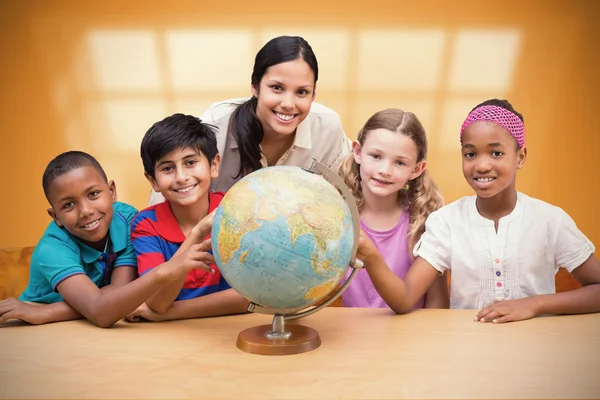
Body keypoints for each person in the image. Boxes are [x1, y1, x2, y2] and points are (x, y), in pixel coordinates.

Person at [356, 99, 600, 323]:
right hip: (464, 351)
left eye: (496, 153)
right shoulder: (446, 222)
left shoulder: (550, 220)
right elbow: (405, 297)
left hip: (536, 350)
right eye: (470, 154)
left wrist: (534, 304)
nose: (482, 165)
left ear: (520, 157)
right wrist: (371, 254)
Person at [0, 151, 213, 327]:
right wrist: (162, 272)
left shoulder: (128, 219)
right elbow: (102, 313)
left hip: (78, 318)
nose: (85, 211)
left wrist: (51, 312)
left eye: (93, 194)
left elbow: (119, 293)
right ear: (55, 216)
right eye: (68, 205)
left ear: (111, 191)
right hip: (39, 326)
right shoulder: (52, 247)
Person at [148, 35, 350, 204]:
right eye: (277, 88)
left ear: (314, 95)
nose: (288, 103)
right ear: (254, 86)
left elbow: (347, 196)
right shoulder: (215, 126)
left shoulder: (328, 128)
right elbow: (169, 189)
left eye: (302, 92)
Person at [127, 114, 248, 322]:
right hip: (168, 340)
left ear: (214, 165)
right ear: (153, 180)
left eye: (190, 162)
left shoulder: (236, 209)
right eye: (167, 168)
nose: (181, 177)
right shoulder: (146, 224)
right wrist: (197, 233)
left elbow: (252, 296)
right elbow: (157, 301)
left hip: (231, 329)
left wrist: (170, 314)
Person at [338, 109, 448, 309]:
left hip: (408, 338)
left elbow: (437, 301)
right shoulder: (336, 217)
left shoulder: (424, 221)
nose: (385, 170)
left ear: (416, 169)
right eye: (376, 156)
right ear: (357, 152)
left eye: (399, 162)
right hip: (350, 335)